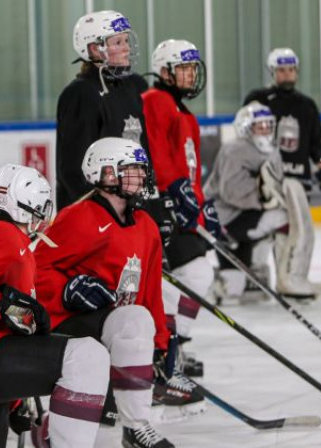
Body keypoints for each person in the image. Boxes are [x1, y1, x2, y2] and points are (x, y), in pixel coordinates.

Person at [0, 164, 111, 448]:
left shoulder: (0, 238)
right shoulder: (0, 234)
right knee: (87, 357)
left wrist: (16, 401)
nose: (44, 217)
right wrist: (3, 307)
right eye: (42, 207)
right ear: (27, 208)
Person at [34, 137, 176, 448]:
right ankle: (53, 429)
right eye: (133, 169)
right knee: (125, 324)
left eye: (141, 169)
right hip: (68, 325)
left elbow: (150, 293)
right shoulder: (78, 218)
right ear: (108, 174)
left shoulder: (146, 226)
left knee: (136, 318)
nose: (141, 177)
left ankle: (136, 427)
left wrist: (162, 344)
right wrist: (67, 290)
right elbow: (33, 269)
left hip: (111, 325)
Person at [142, 39, 216, 385]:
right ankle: (166, 350)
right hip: (163, 211)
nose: (190, 75)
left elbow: (192, 172)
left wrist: (202, 210)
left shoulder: (185, 113)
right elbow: (156, 153)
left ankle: (178, 343)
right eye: (183, 68)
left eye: (192, 68)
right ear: (165, 71)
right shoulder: (155, 101)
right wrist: (170, 191)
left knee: (201, 274)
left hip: (183, 211)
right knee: (174, 284)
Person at [243, 48, 321, 297]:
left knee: (298, 230)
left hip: (298, 180)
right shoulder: (259, 100)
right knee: (269, 230)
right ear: (273, 72)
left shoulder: (306, 105)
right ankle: (261, 278)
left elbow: (316, 144)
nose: (287, 74)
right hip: (268, 180)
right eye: (282, 70)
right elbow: (246, 135)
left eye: (291, 69)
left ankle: (293, 278)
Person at [55, 10, 150, 210]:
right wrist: (103, 210)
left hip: (128, 206)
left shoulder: (133, 87)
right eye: (118, 43)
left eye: (126, 41)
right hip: (93, 213)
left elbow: (144, 148)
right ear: (94, 49)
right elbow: (73, 169)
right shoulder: (81, 94)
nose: (126, 48)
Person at [203, 102, 289, 304]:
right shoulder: (235, 150)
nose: (266, 130)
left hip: (244, 216)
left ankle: (255, 271)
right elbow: (232, 192)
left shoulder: (273, 151)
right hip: (223, 219)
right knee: (282, 217)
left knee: (235, 289)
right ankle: (224, 279)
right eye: (260, 126)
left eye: (269, 125)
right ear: (246, 127)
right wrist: (265, 197)